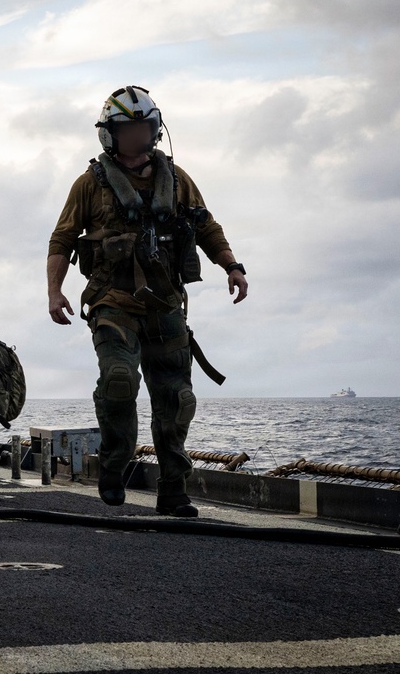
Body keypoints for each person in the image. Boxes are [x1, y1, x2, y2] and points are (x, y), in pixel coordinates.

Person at [47, 86, 248, 517]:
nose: (138, 135)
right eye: (128, 128)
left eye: (144, 126)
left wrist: (233, 266)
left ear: (155, 129)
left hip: (165, 304)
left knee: (177, 399)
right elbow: (62, 239)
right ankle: (114, 466)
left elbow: (207, 226)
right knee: (119, 380)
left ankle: (173, 489)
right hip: (112, 301)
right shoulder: (90, 185)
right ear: (111, 134)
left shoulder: (177, 180)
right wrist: (54, 291)